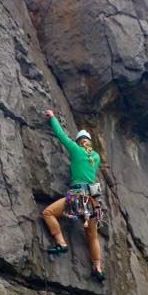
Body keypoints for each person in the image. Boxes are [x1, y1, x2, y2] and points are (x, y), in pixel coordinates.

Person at [43, 109, 105, 283]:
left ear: (79, 142)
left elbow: (61, 135)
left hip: (78, 197)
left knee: (48, 213)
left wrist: (53, 117)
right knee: (92, 236)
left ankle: (61, 243)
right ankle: (98, 268)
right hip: (93, 203)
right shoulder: (96, 157)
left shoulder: (76, 151)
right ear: (90, 143)